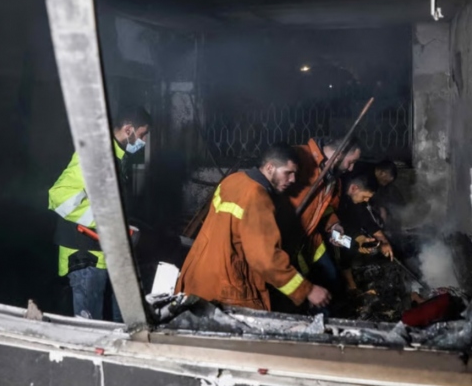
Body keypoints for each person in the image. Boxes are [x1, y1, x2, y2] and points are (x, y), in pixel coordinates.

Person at [175, 143, 331, 311]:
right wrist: (307, 290)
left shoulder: (233, 180)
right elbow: (266, 259)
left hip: (197, 276)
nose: (293, 179)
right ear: (270, 167)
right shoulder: (257, 197)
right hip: (225, 289)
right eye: (288, 173)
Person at [47, 105, 152, 321]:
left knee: (106, 326)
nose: (143, 141)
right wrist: (110, 223)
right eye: (142, 135)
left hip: (99, 255)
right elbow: (59, 197)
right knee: (90, 330)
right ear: (129, 130)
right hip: (84, 256)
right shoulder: (97, 157)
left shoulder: (116, 157)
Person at [287, 136, 362, 301]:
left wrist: (334, 225)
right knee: (298, 291)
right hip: (289, 240)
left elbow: (324, 206)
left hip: (311, 239)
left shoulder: (332, 176)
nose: (351, 168)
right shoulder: (300, 157)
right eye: (351, 162)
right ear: (340, 154)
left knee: (331, 278)